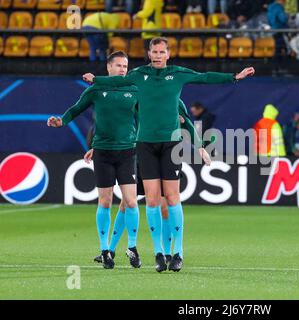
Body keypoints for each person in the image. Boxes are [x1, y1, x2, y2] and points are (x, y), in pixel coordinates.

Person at [82, 37, 255, 272]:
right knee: (144, 201)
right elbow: (116, 96)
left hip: (169, 146)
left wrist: (234, 77)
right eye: (154, 51)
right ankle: (151, 253)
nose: (158, 55)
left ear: (168, 54)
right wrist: (97, 82)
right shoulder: (137, 78)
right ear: (149, 53)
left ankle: (177, 253)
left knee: (168, 199)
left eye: (162, 52)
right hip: (141, 146)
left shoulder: (177, 77)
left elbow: (204, 78)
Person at [47, 51, 140, 270]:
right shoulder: (96, 89)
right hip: (104, 153)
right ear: (108, 67)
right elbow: (77, 108)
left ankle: (132, 247)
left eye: (125, 66)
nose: (122, 69)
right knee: (105, 202)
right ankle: (105, 250)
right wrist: (61, 121)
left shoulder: (134, 89)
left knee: (131, 201)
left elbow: (145, 116)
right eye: (118, 65)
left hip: (127, 151)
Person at [88, 101, 209, 265]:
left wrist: (198, 145)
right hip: (140, 153)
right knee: (126, 203)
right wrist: (102, 144)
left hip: (165, 153)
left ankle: (166, 253)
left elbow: (186, 122)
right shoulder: (139, 98)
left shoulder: (174, 99)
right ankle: (111, 250)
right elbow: (121, 121)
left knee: (165, 205)